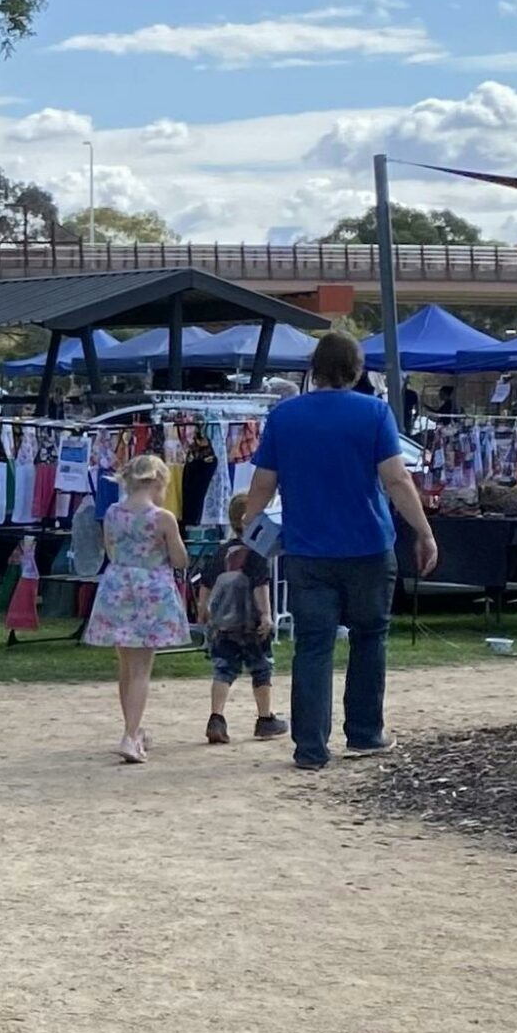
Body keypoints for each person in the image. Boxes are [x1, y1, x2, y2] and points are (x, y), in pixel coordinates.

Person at [241, 331, 439, 772]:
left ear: (314, 369)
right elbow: (396, 479)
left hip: (307, 549)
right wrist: (423, 532)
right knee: (370, 638)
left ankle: (310, 747)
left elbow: (262, 483)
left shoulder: (285, 416)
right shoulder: (374, 413)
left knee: (313, 646)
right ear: (356, 370)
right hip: (368, 546)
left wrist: (249, 531)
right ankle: (365, 732)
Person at [83, 452, 189, 764]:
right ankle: (130, 736)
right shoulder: (163, 518)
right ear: (157, 482)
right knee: (142, 669)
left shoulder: (113, 512)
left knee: (127, 668)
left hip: (117, 587)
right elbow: (180, 559)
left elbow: (111, 550)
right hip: (150, 591)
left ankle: (133, 728)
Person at [193, 494, 289, 745]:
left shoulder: (221, 552)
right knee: (261, 669)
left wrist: (203, 609)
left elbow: (206, 583)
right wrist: (266, 615)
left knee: (223, 669)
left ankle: (216, 718)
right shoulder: (256, 553)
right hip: (251, 624)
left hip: (223, 624)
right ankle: (265, 718)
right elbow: (260, 585)